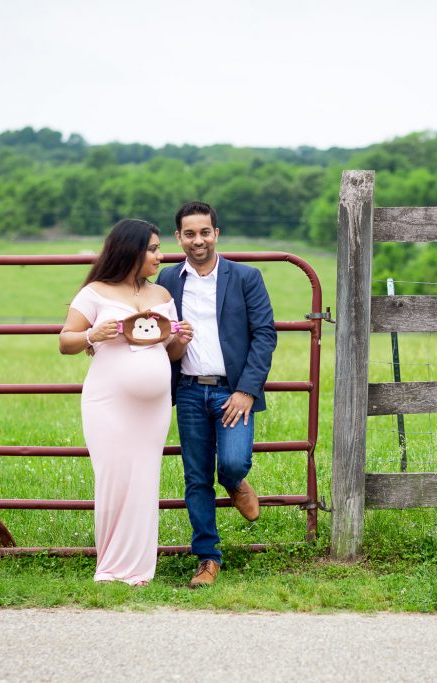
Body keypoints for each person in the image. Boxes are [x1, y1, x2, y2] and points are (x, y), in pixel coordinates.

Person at [59, 218, 193, 586]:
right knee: (114, 479)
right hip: (108, 404)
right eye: (152, 249)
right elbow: (65, 342)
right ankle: (110, 567)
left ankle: (139, 570)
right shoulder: (95, 293)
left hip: (153, 408)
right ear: (129, 250)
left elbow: (172, 353)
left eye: (158, 248)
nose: (160, 255)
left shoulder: (162, 297)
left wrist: (183, 337)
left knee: (145, 480)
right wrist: (90, 332)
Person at [156, 201, 277, 588]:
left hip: (232, 392)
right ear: (179, 237)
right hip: (189, 391)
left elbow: (264, 335)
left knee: (233, 463)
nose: (198, 240)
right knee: (195, 478)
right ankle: (208, 558)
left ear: (216, 234)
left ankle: (236, 483)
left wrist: (246, 390)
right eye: (189, 234)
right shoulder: (169, 281)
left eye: (204, 232)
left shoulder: (245, 277)